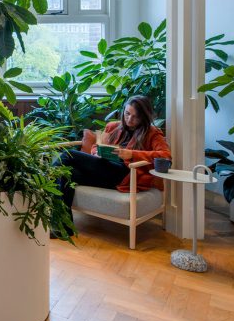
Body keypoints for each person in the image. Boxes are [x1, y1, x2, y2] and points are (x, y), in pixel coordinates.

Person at [56, 95, 171, 227]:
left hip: (124, 173)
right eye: (127, 114)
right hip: (105, 170)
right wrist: (96, 152)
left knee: (67, 155)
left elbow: (165, 156)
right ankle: (63, 227)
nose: (129, 119)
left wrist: (132, 154)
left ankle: (43, 181)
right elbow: (96, 146)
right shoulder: (113, 127)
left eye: (135, 117)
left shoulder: (152, 133)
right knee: (66, 174)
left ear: (144, 117)